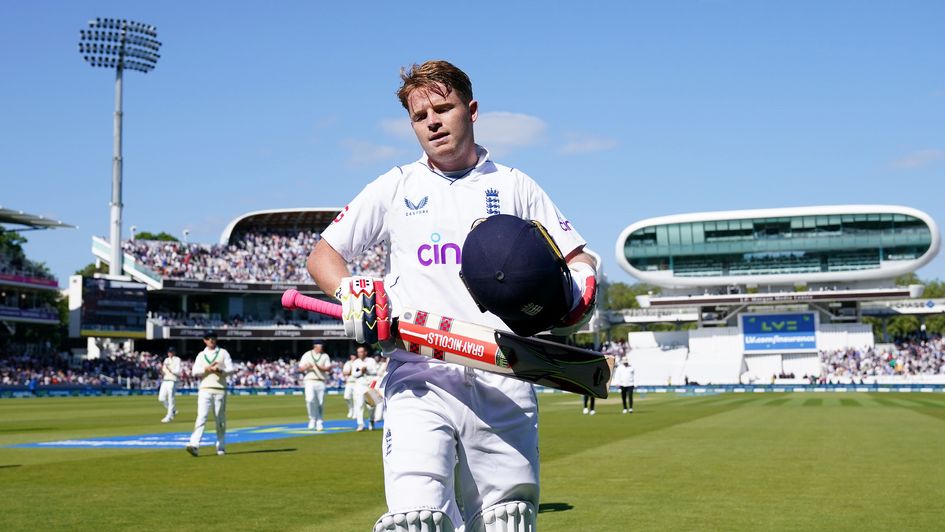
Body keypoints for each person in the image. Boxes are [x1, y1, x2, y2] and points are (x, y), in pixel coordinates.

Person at [306, 60, 596, 531]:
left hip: (503, 371)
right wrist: (350, 292)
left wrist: (581, 290)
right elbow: (324, 255)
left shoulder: (515, 184)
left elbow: (579, 259)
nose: (433, 123)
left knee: (507, 521)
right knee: (415, 521)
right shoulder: (396, 185)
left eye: (444, 108)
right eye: (421, 117)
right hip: (419, 371)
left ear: (472, 109)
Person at [185, 332, 235, 457]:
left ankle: (221, 446)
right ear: (205, 341)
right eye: (208, 338)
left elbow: (231, 370)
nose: (211, 340)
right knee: (201, 417)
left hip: (219, 390)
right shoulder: (201, 355)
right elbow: (194, 371)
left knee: (220, 420)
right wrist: (206, 369)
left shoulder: (223, 353)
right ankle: (194, 445)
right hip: (205, 389)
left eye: (213, 338)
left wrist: (219, 370)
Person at [298, 341, 331, 430]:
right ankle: (312, 419)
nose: (321, 348)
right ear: (315, 346)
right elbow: (300, 368)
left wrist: (317, 366)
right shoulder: (307, 354)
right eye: (320, 346)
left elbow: (328, 368)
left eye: (322, 346)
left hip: (321, 381)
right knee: (309, 400)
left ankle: (319, 421)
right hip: (309, 380)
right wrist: (307, 367)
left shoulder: (325, 356)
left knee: (320, 402)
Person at [350, 346, 378, 432]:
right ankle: (360, 424)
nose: (360, 354)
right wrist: (360, 372)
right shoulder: (356, 362)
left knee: (371, 406)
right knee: (359, 405)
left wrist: (366, 370)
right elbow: (354, 374)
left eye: (361, 352)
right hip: (359, 384)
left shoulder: (371, 361)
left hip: (370, 384)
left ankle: (371, 421)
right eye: (358, 352)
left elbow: (375, 371)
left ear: (365, 352)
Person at [158, 346, 181, 423]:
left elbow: (177, 371)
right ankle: (173, 410)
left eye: (171, 352)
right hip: (165, 380)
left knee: (171, 398)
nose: (170, 353)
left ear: (174, 352)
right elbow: (164, 370)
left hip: (173, 380)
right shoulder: (166, 360)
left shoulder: (177, 359)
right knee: (161, 398)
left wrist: (170, 370)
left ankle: (169, 416)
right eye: (169, 352)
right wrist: (162, 370)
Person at [341, 353, 356, 418]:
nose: (353, 357)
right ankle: (351, 409)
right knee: (346, 397)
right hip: (349, 382)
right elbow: (344, 372)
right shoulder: (347, 363)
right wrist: (350, 372)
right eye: (352, 355)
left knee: (356, 399)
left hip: (356, 382)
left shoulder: (358, 362)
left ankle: (355, 412)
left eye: (354, 355)